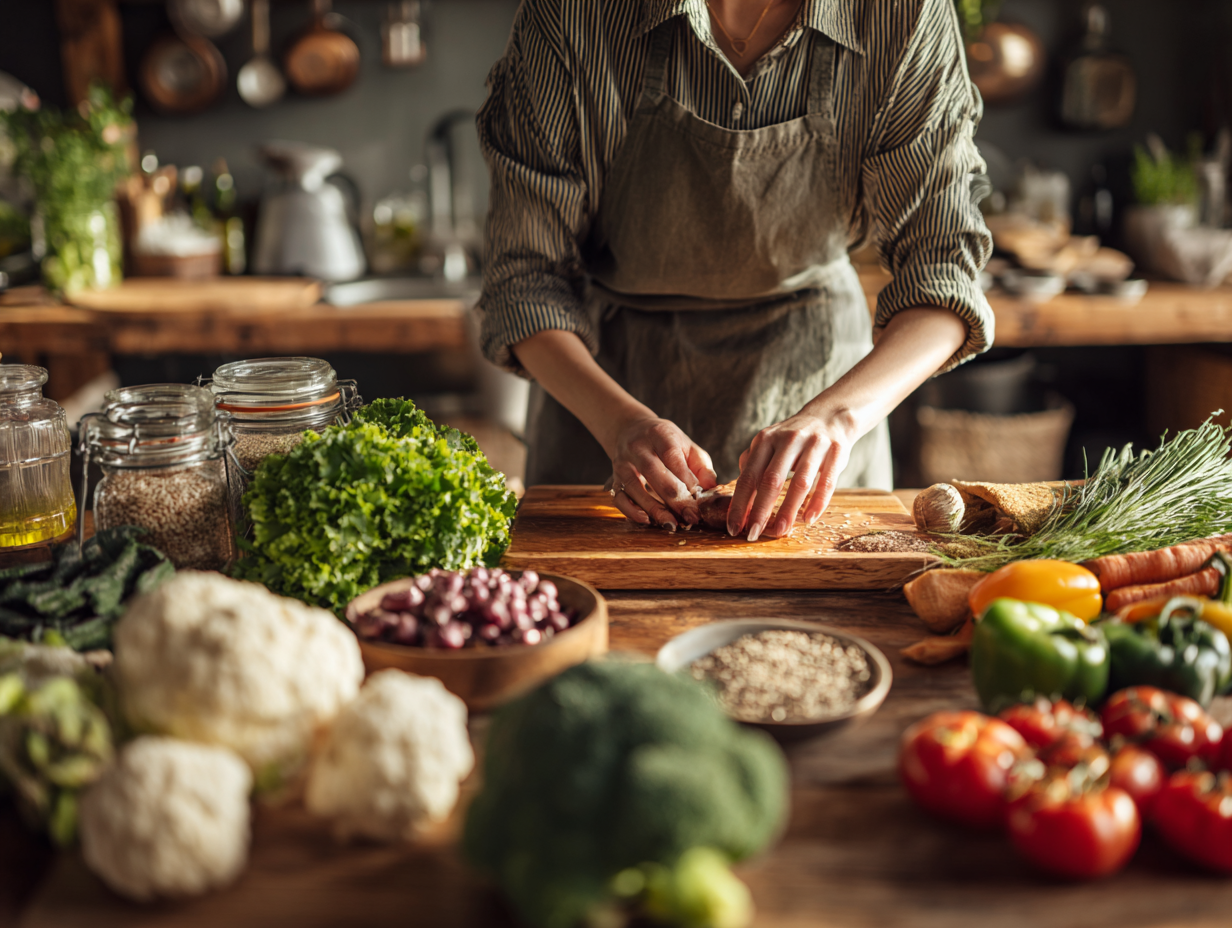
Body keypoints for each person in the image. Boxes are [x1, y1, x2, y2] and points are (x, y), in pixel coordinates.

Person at [476, 0, 993, 540]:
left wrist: (837, 418)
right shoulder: (569, 15)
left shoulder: (903, 15)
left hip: (821, 380)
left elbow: (943, 279)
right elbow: (524, 282)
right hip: (603, 394)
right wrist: (619, 423)